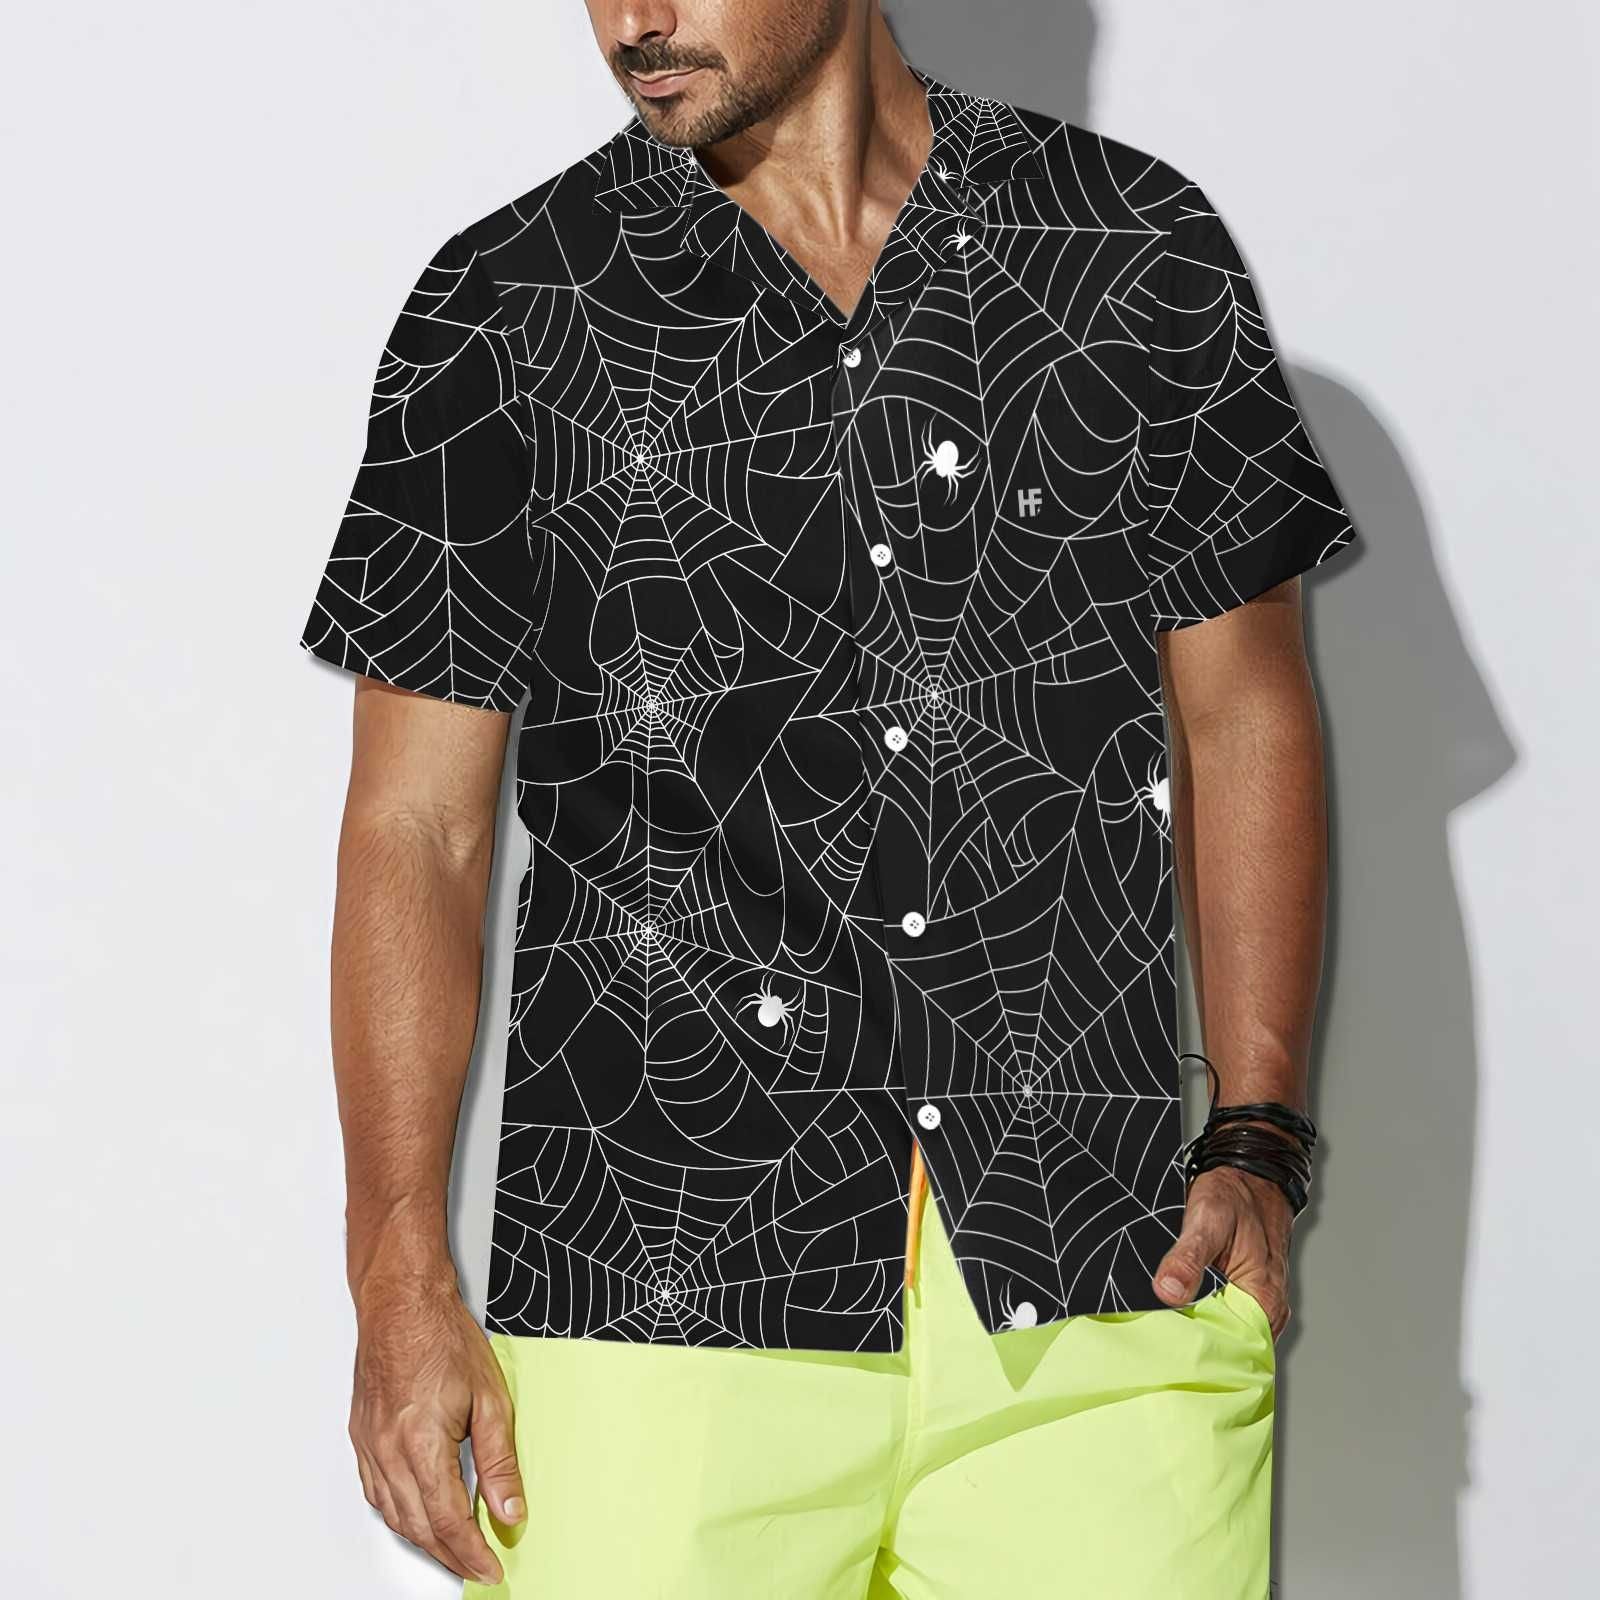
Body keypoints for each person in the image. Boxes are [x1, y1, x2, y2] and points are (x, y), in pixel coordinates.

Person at [296, 1, 1360, 1593]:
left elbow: (1246, 707)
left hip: (1101, 1276)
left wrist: (1260, 1137)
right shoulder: (505, 308)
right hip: (655, 1292)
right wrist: (396, 1273)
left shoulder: (1131, 248)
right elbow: (417, 829)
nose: (635, 20)